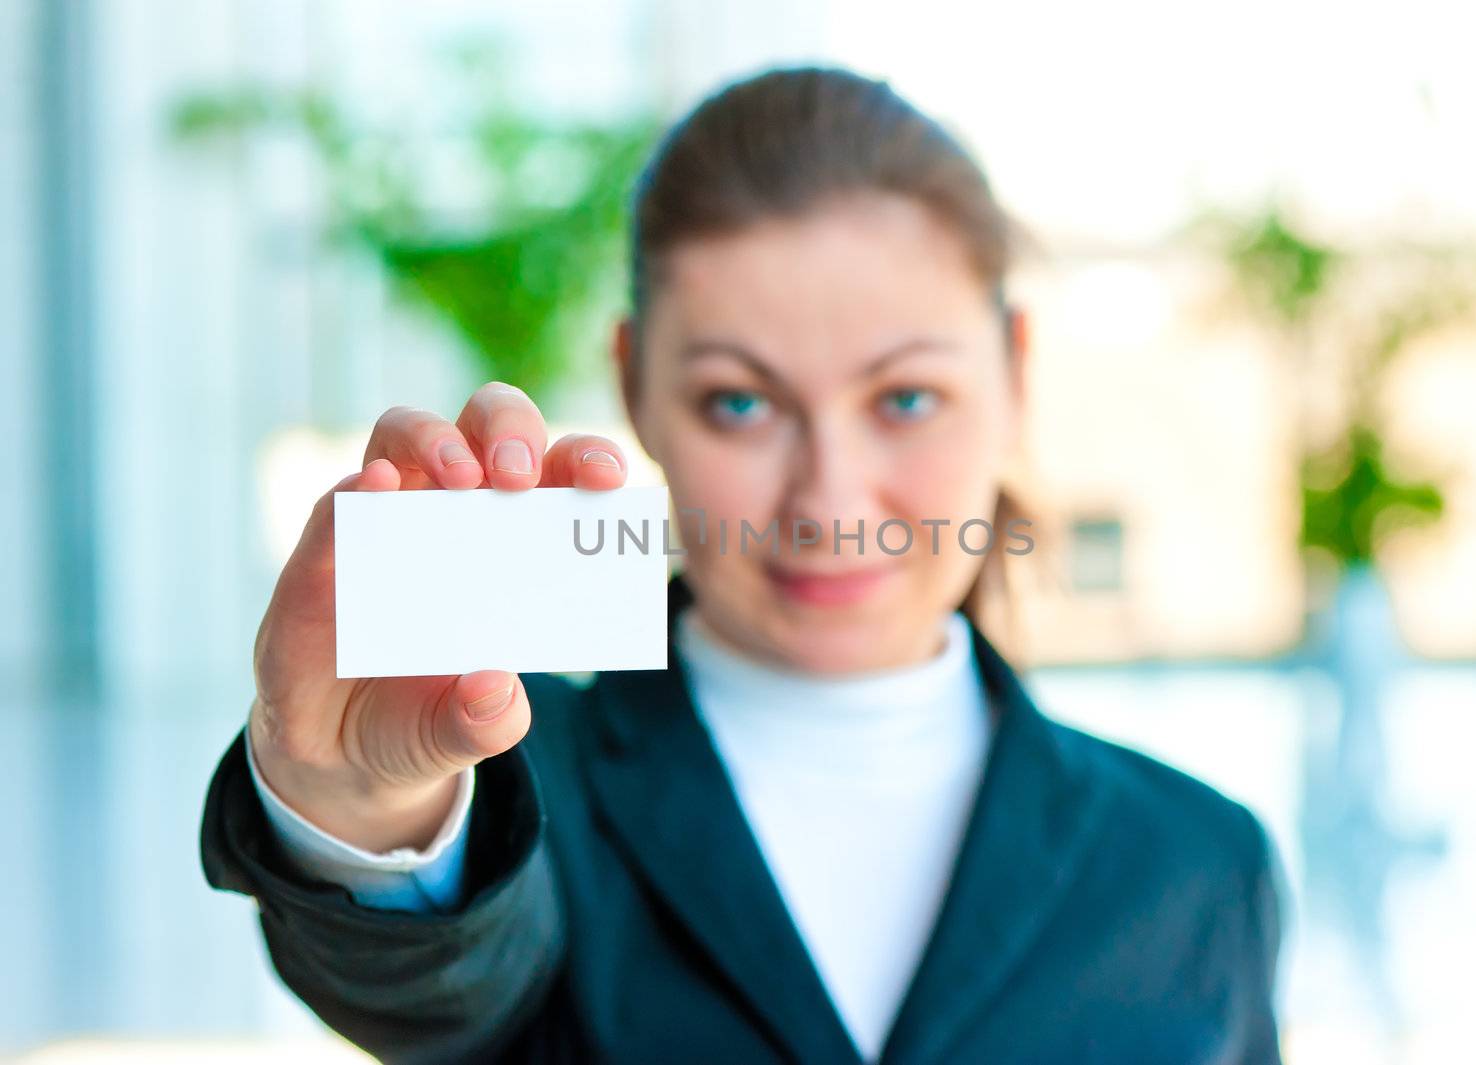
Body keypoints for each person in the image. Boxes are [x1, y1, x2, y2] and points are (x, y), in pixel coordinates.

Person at [201, 65, 1285, 1064]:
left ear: (1015, 371)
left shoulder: (1197, 863)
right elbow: (444, 988)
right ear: (636, 389)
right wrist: (364, 816)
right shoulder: (511, 782)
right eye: (741, 403)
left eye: (905, 399)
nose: (827, 501)